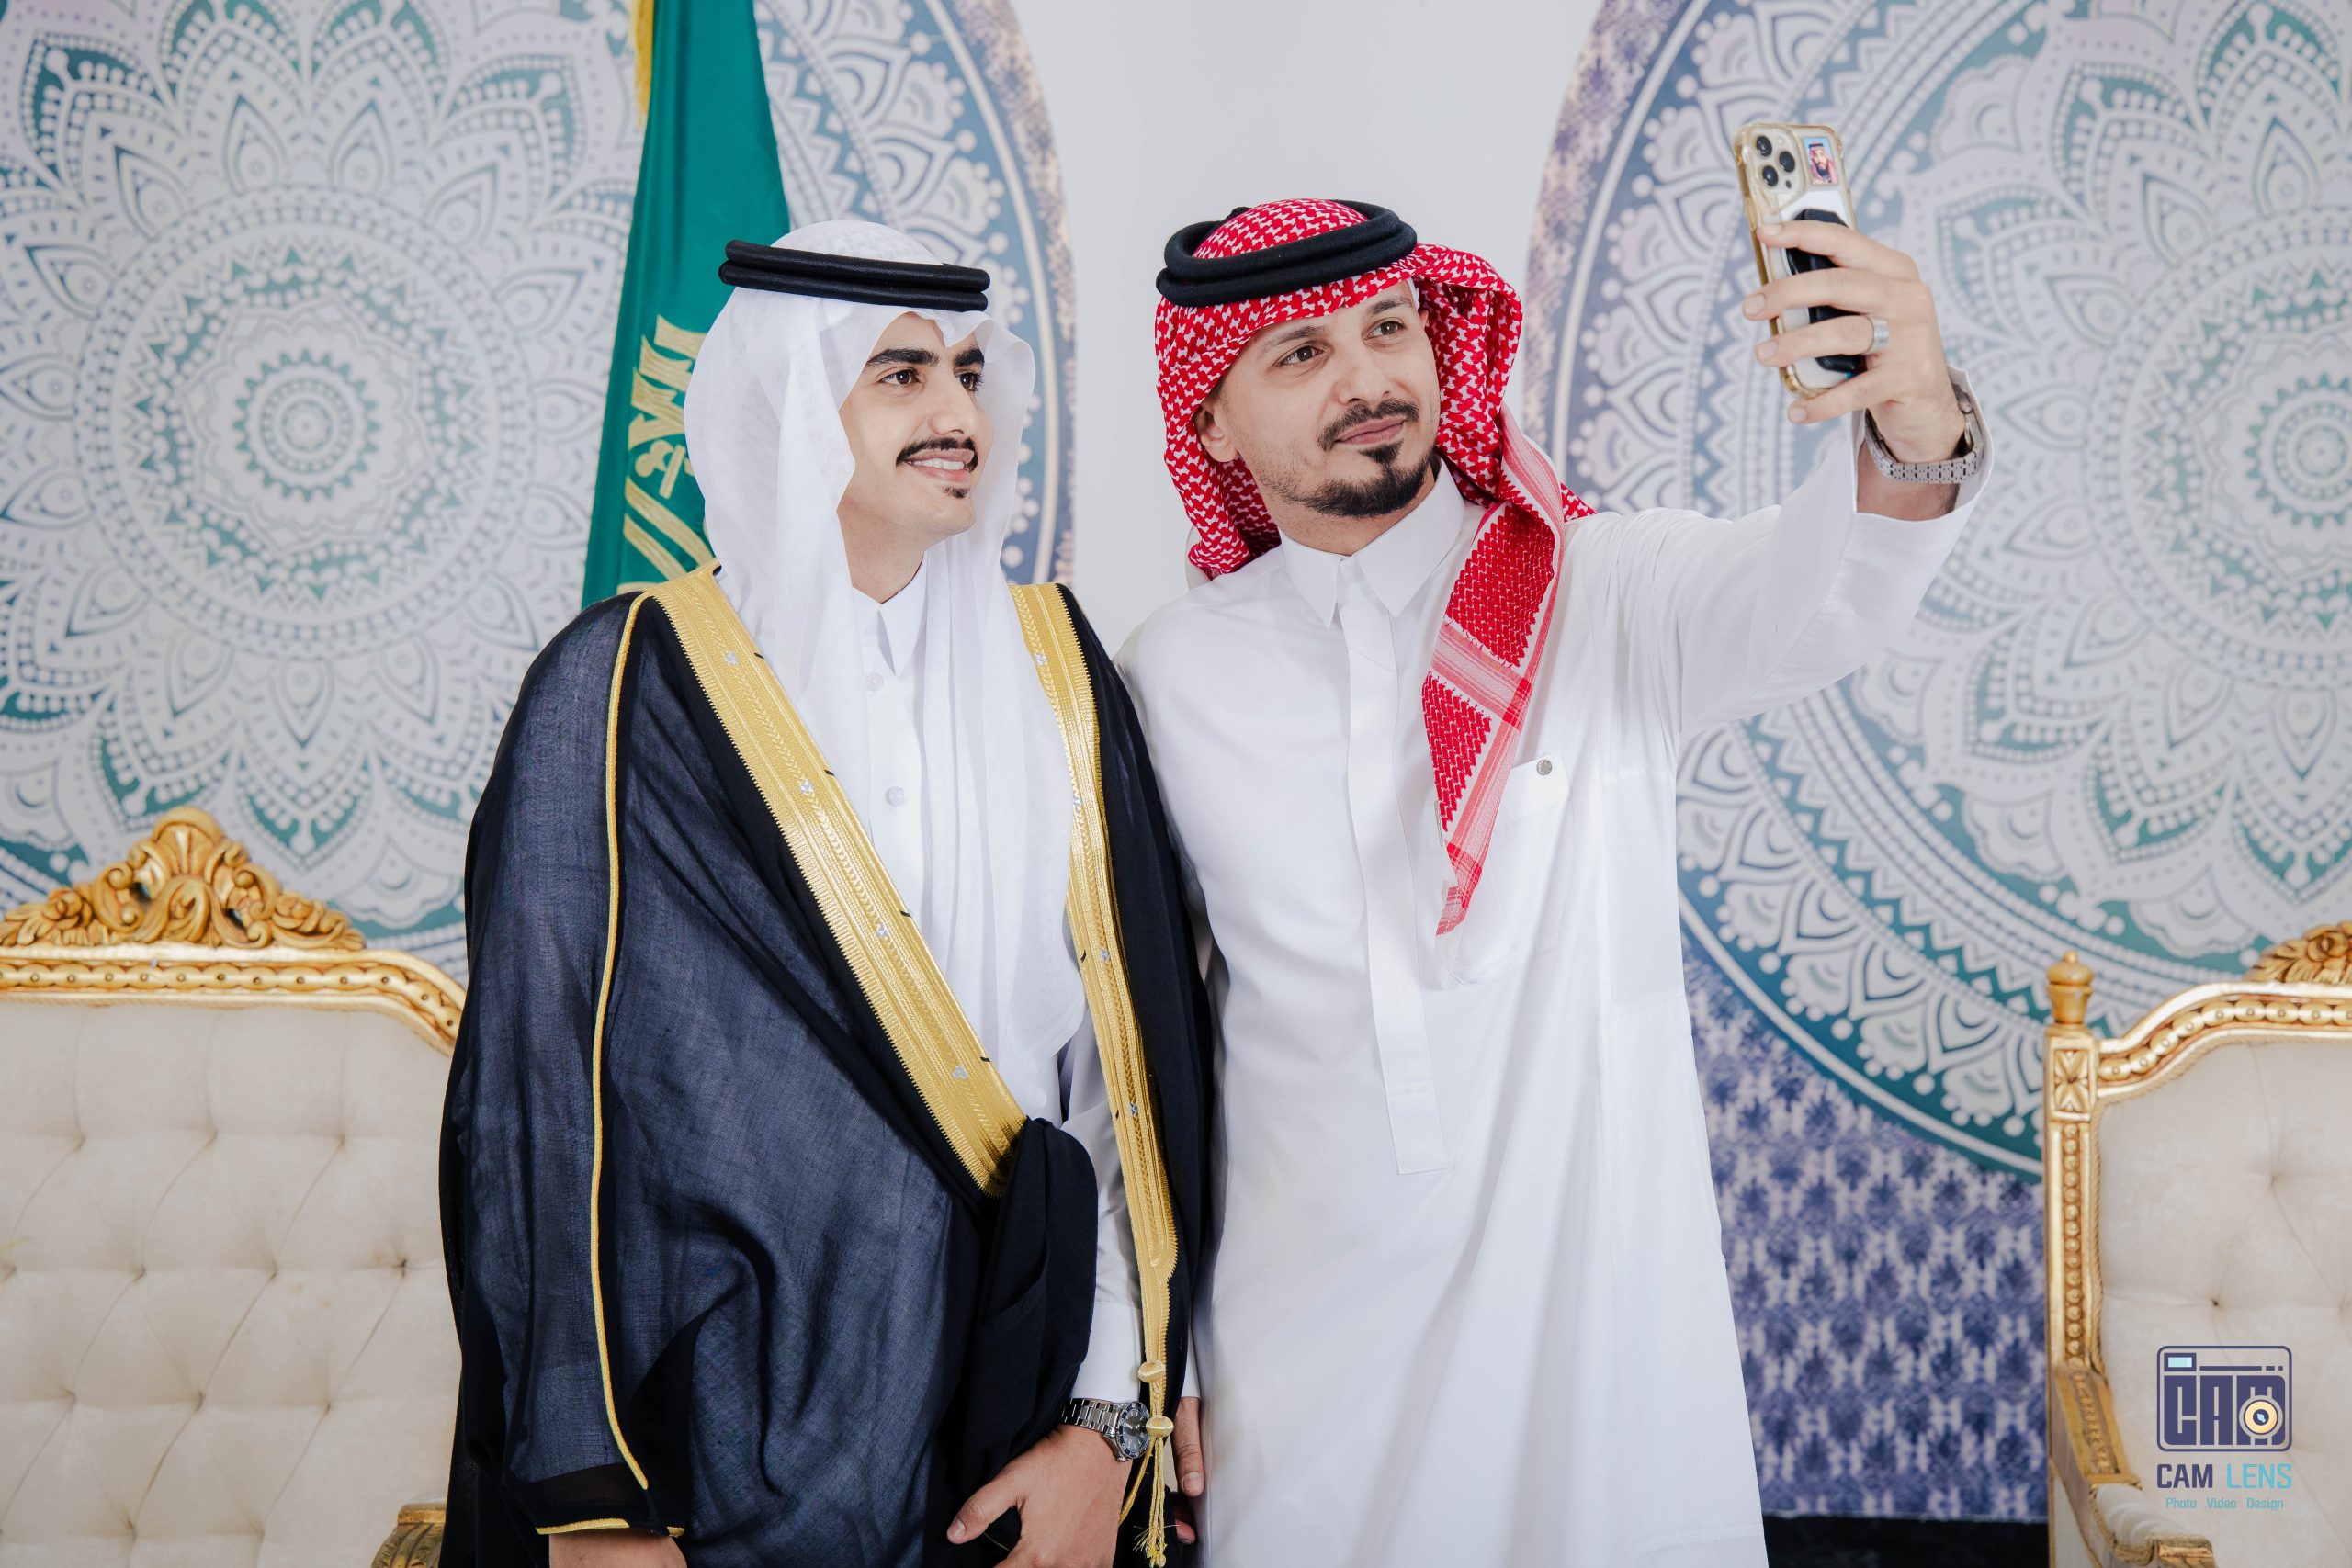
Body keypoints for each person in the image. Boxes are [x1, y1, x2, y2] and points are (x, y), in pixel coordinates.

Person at [1117, 198, 1992, 1565]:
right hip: (1292, 1366)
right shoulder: (1172, 672)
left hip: (1585, 1344)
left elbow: (1819, 594)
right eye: (1301, 352)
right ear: (1212, 422)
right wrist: (1155, 1351)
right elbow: (1141, 1050)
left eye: (1390, 329)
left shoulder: (1600, 592)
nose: (1368, 377)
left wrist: (1915, 417)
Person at [440, 221, 1211, 1568]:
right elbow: (544, 1106)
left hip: (1013, 1421)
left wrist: (1104, 1425)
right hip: (710, 1447)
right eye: (900, 374)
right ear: (789, 406)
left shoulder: (1059, 672)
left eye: (968, 372)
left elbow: (1120, 1087)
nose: (956, 412)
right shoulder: (626, 685)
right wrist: (596, 1497)